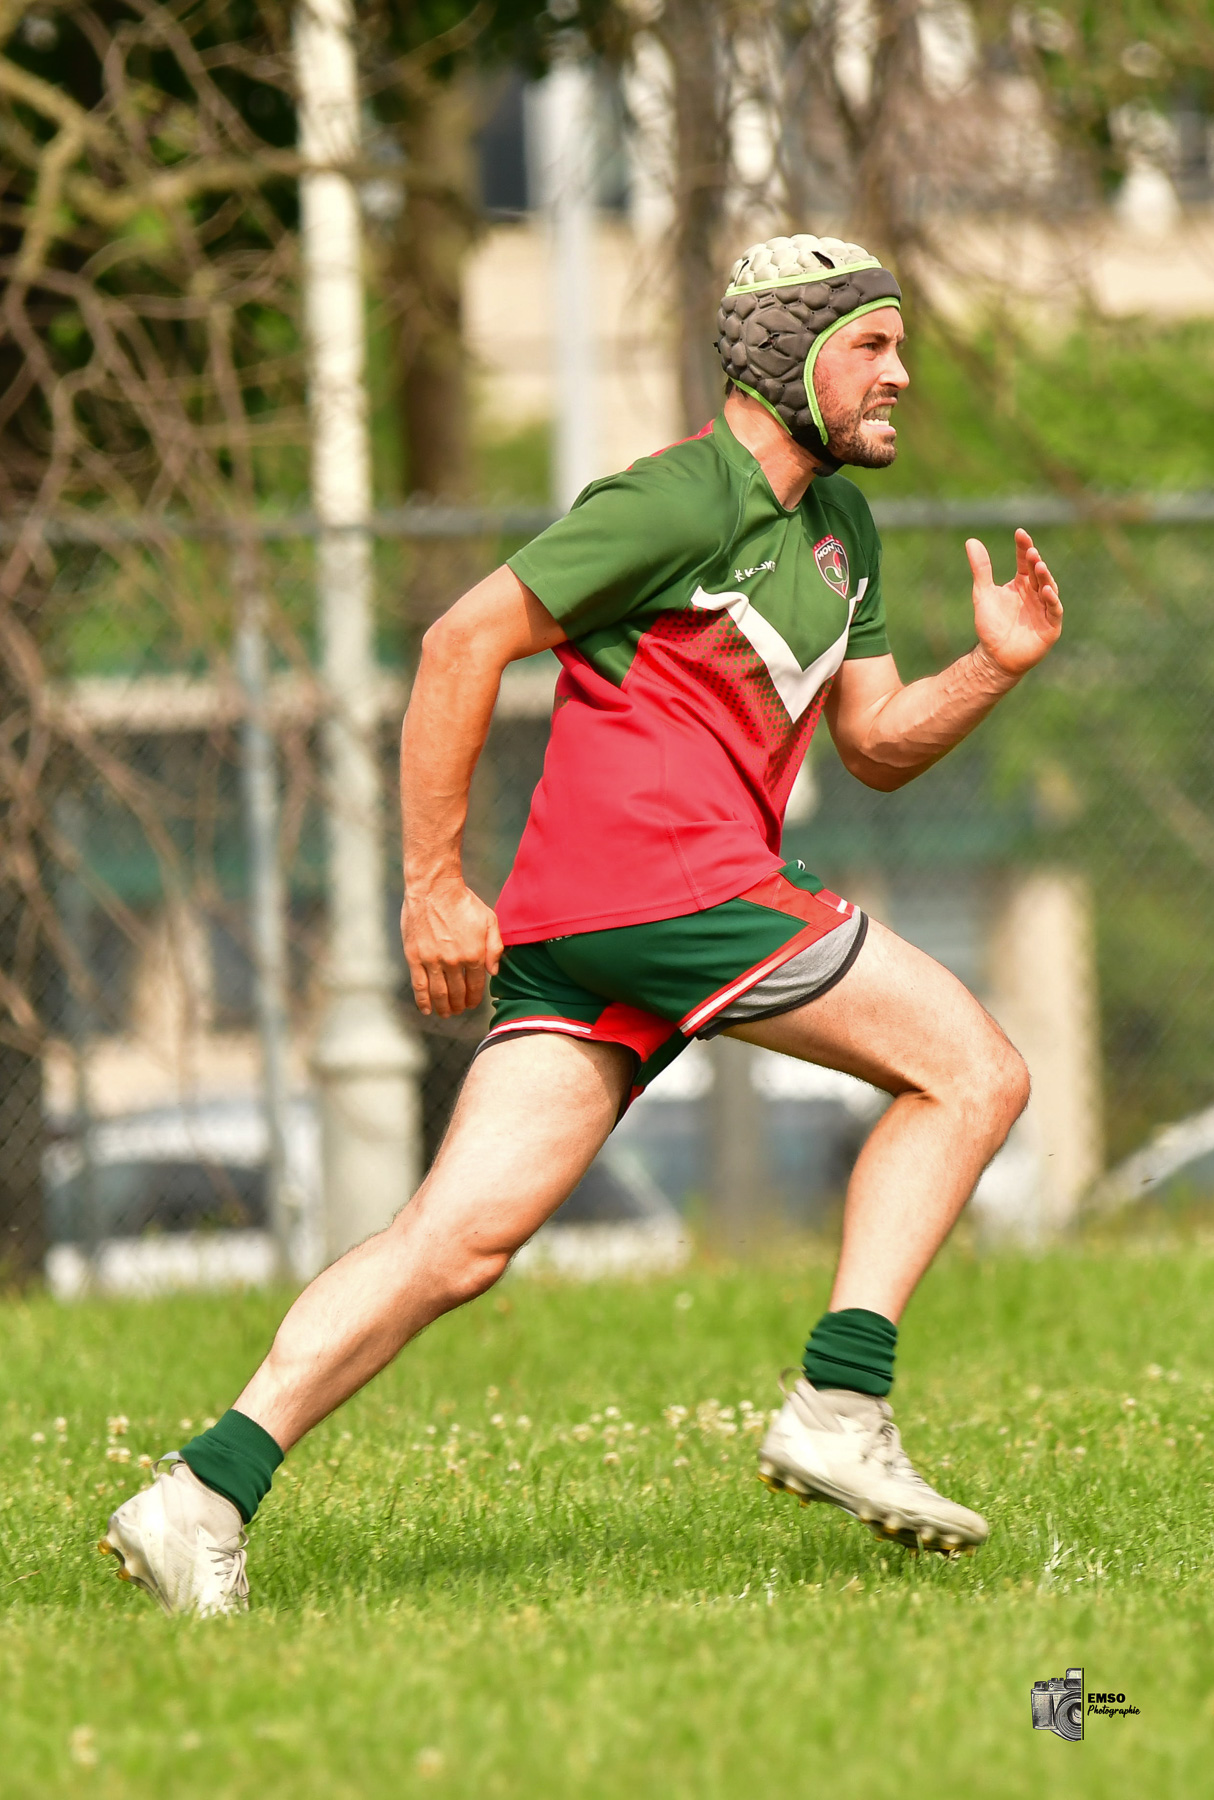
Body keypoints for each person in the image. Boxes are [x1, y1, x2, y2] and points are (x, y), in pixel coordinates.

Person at [98, 233, 1062, 1614]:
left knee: (456, 1241)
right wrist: (433, 886)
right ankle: (840, 1405)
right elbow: (458, 642)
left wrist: (992, 666)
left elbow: (876, 743)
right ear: (784, 357)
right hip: (672, 888)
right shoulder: (675, 497)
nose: (900, 372)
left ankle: (199, 1494)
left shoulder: (840, 530)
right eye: (871, 344)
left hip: (602, 919)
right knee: (975, 1073)